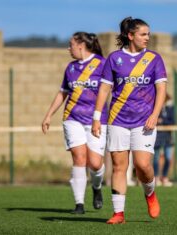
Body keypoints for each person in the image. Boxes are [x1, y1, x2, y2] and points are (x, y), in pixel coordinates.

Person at [92, 17, 167, 224]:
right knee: (118, 166)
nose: (147, 38)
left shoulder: (154, 59)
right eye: (143, 34)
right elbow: (105, 89)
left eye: (148, 34)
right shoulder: (114, 58)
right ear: (130, 35)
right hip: (117, 120)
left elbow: (161, 89)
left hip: (145, 121)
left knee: (143, 165)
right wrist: (97, 118)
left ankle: (150, 193)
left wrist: (154, 114)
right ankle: (118, 213)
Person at [42, 32, 107, 214]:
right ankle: (79, 204)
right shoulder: (70, 68)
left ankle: (96, 187)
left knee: (95, 163)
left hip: (97, 120)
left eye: (70, 44)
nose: (68, 48)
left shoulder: (102, 64)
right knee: (79, 158)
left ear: (81, 45)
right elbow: (62, 93)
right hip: (73, 118)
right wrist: (48, 115)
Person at [154, 93, 175, 187]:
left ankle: (164, 177)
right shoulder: (154, 107)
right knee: (156, 158)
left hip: (167, 136)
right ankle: (156, 177)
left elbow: (173, 121)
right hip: (157, 136)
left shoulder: (170, 108)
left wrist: (163, 121)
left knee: (168, 158)